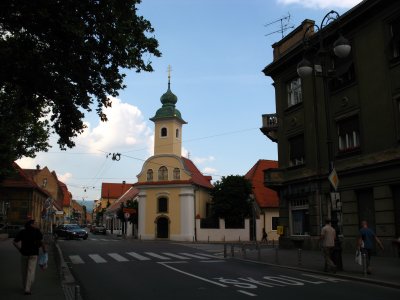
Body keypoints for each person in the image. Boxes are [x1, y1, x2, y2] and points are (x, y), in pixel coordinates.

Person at [13, 219, 46, 295]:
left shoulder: (22, 232)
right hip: (33, 254)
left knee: (24, 271)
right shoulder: (37, 232)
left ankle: (25, 286)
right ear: (31, 224)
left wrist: (20, 249)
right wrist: (45, 251)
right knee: (30, 271)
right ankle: (27, 289)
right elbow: (42, 242)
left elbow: (14, 242)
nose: (37, 224)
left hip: (24, 254)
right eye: (35, 223)